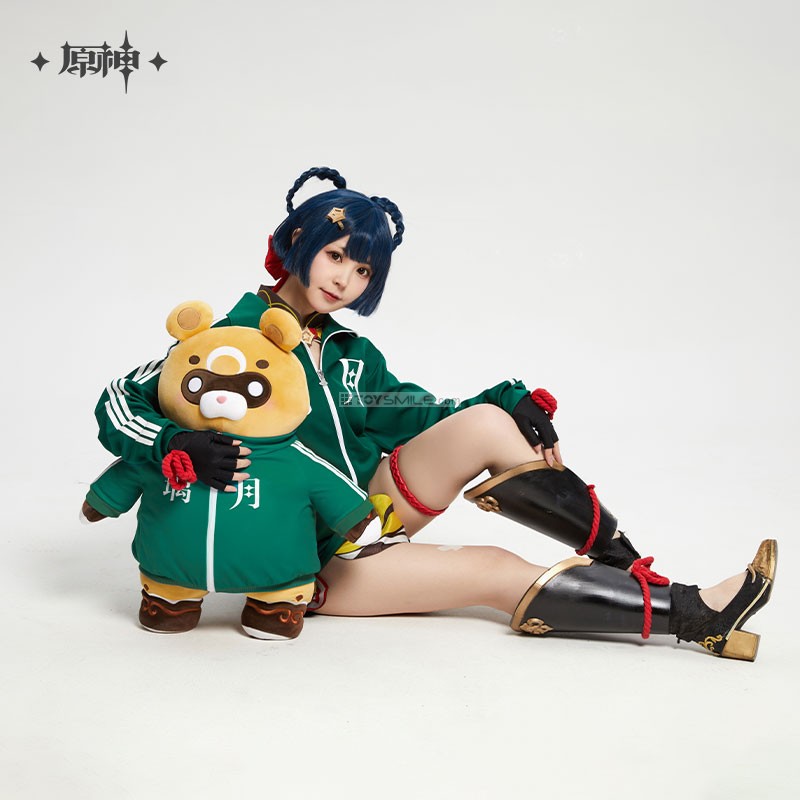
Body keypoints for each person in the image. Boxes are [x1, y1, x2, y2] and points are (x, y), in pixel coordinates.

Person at [91, 166, 776, 660]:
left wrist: (508, 401)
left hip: (365, 510)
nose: (345, 279)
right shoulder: (231, 338)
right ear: (299, 244)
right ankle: (694, 614)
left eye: (363, 271)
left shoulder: (350, 355)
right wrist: (175, 443)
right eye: (336, 256)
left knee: (487, 425)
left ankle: (631, 569)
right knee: (494, 569)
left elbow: (416, 413)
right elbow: (120, 399)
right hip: (301, 558)